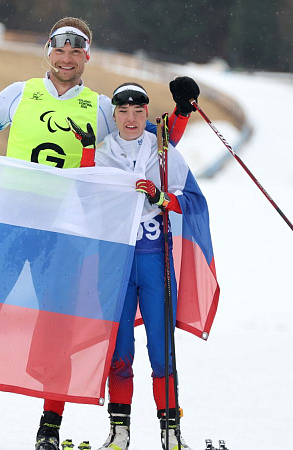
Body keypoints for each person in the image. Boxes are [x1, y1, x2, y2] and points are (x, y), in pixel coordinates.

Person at [0, 16, 201, 450]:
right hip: (8, 227)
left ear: (86, 56)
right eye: (60, 48)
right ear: (47, 52)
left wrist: (182, 110)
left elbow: (152, 137)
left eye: (76, 50)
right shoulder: (20, 94)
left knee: (58, 332)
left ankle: (48, 431)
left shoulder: (103, 107)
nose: (66, 57)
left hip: (63, 233)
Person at [80, 83, 211, 450]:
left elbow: (194, 204)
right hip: (117, 264)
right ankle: (119, 433)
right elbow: (84, 200)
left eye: (139, 112)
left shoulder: (164, 154)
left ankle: (171, 436)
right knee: (120, 352)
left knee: (162, 350)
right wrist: (88, 154)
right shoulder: (103, 154)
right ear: (115, 115)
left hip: (155, 259)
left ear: (146, 114)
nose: (132, 119)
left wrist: (162, 198)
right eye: (123, 112)